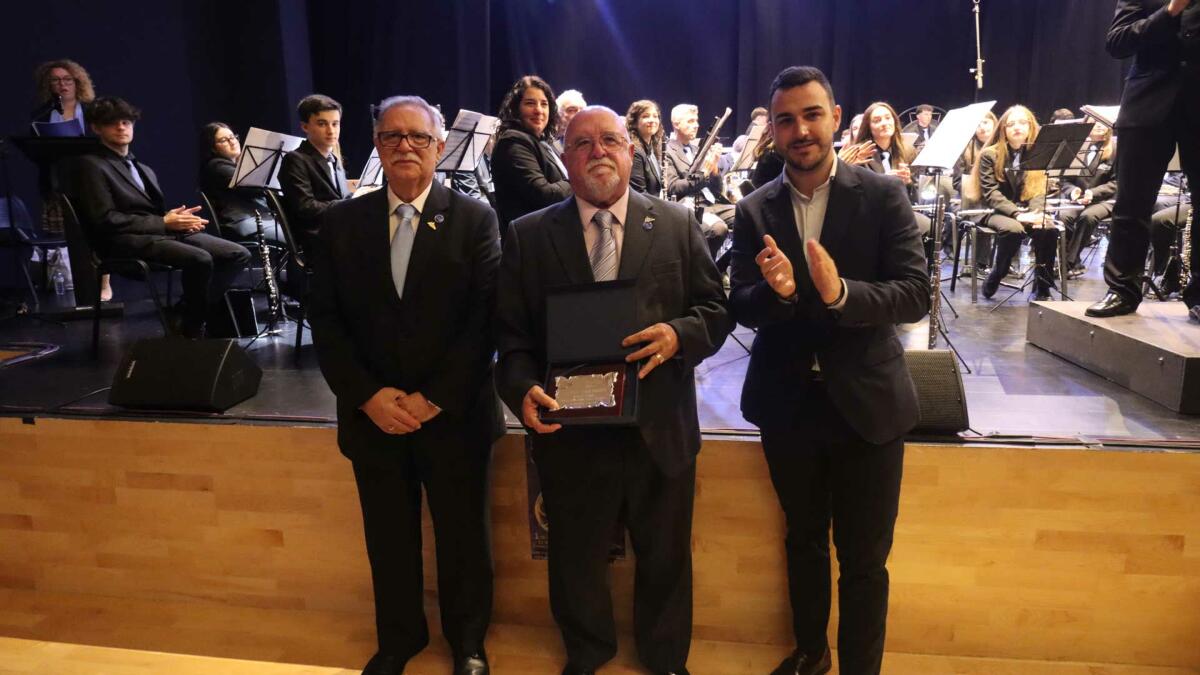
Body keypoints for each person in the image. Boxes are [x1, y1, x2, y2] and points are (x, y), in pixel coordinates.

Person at [495, 105, 732, 675]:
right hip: (570, 432)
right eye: (581, 143)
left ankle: (666, 658)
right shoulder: (528, 237)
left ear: (630, 151)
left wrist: (679, 334)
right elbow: (512, 338)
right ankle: (586, 653)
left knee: (667, 555)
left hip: (660, 424)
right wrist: (521, 388)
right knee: (575, 557)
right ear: (563, 156)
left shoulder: (676, 224)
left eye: (610, 141)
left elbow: (715, 311)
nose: (597, 151)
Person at [728, 65, 928, 675]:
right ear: (774, 133)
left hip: (868, 407)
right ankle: (811, 653)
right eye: (785, 120)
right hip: (788, 406)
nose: (800, 130)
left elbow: (915, 293)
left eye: (811, 115)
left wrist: (842, 294)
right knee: (803, 542)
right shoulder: (755, 209)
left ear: (836, 118)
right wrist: (780, 294)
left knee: (865, 559)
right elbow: (739, 300)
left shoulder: (885, 195)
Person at [307, 95, 503, 675]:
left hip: (455, 414)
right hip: (373, 417)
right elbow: (327, 320)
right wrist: (367, 395)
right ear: (377, 145)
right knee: (388, 540)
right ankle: (399, 640)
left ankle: (468, 643)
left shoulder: (475, 219)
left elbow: (484, 321)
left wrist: (432, 397)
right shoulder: (340, 222)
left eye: (418, 137)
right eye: (393, 137)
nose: (405, 147)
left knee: (464, 539)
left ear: (440, 147)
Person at [70, 97, 250, 338]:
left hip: (156, 234)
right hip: (121, 241)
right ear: (96, 128)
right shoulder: (90, 165)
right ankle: (190, 328)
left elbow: (151, 213)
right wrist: (163, 222)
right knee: (200, 259)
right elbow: (104, 219)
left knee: (237, 254)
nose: (121, 127)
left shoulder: (142, 168)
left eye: (126, 122)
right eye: (112, 123)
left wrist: (175, 218)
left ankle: (185, 312)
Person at [1087, 0, 1199, 319]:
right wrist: (1171, 10)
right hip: (1147, 102)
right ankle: (1122, 289)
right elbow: (1118, 41)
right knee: (1132, 202)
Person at [31, 59, 109, 300]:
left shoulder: (91, 110)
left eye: (67, 79)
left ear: (77, 83)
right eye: (55, 80)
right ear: (48, 85)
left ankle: (104, 285)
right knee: (65, 236)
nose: (62, 85)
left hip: (90, 178)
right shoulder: (43, 114)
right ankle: (75, 284)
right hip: (57, 181)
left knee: (98, 232)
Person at [974, 105, 1056, 301]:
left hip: (1026, 210)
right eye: (1011, 124)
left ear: (1031, 126)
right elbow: (991, 193)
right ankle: (998, 272)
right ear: (1003, 130)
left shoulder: (1038, 154)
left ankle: (1042, 285)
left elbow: (1038, 189)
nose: (1017, 127)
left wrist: (1036, 215)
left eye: (1022, 123)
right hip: (993, 210)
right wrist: (1018, 214)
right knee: (1013, 229)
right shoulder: (990, 155)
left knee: (1048, 228)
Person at [491, 75, 572, 240]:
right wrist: (578, 180)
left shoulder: (543, 142)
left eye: (544, 104)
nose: (539, 110)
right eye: (530, 103)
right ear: (516, 108)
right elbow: (544, 195)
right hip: (531, 247)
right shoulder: (513, 142)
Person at [279, 94, 352, 248]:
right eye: (322, 124)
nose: (331, 131)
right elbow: (305, 207)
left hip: (339, 230)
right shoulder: (295, 159)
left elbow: (340, 197)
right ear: (305, 126)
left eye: (335, 124)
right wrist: (348, 206)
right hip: (318, 238)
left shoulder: (334, 159)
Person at [662, 103, 733, 259]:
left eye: (696, 121)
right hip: (689, 206)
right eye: (690, 121)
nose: (696, 125)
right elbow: (673, 187)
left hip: (710, 203)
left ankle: (722, 268)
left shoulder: (697, 149)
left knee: (746, 215)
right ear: (676, 124)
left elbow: (716, 189)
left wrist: (714, 171)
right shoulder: (667, 151)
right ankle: (705, 273)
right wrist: (704, 172)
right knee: (718, 229)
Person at [198, 122, 282, 245]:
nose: (232, 142)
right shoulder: (216, 166)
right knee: (298, 237)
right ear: (212, 147)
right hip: (244, 222)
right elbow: (252, 187)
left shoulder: (234, 166)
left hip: (260, 219)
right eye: (224, 140)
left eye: (232, 137)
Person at [855, 102, 931, 236]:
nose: (884, 123)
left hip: (898, 211)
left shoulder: (906, 151)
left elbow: (913, 198)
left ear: (894, 122)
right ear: (869, 127)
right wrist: (884, 181)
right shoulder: (861, 154)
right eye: (877, 121)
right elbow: (858, 197)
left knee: (930, 225)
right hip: (870, 215)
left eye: (888, 118)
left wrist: (907, 182)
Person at [1059, 120, 1117, 276]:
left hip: (1106, 200)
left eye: (1103, 122)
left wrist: (1094, 193)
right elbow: (1064, 180)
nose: (1098, 125)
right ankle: (1070, 262)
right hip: (1078, 199)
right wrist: (1073, 191)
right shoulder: (1076, 148)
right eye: (1094, 122)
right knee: (1064, 217)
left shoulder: (1116, 149)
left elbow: (1117, 182)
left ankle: (1068, 263)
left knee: (1087, 217)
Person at [626, 99, 664, 197]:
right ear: (634, 122)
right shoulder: (635, 152)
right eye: (645, 116)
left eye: (655, 116)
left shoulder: (652, 149)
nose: (652, 120)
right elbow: (640, 194)